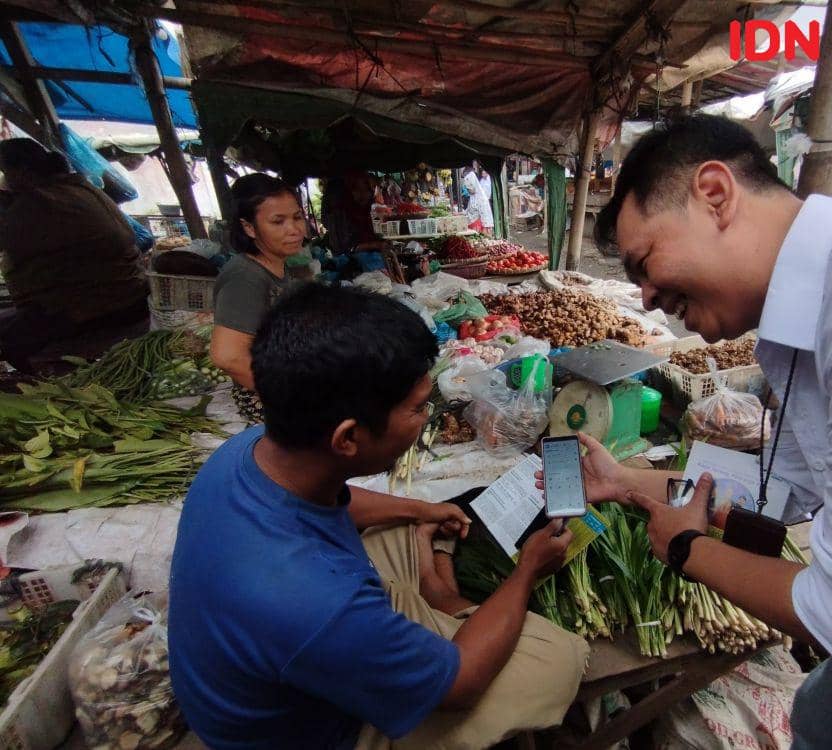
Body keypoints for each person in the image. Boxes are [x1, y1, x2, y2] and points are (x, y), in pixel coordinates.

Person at [552, 114, 832, 749]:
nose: (646, 298)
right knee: (824, 714)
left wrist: (686, 551)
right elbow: (773, 493)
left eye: (644, 262)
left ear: (714, 193)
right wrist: (627, 481)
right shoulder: (800, 326)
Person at [170, 284, 588, 750]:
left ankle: (436, 590)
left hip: (302, 642)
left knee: (406, 529)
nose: (427, 416)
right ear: (347, 438)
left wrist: (419, 508)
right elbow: (461, 685)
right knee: (557, 660)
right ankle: (447, 608)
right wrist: (527, 571)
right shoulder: (313, 604)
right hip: (318, 732)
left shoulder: (244, 452)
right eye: (415, 408)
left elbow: (336, 501)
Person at [0, 138, 148, 373]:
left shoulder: (42, 202)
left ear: (23, 171)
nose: (7, 180)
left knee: (9, 340)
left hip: (98, 306)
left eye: (7, 172)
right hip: (129, 293)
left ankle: (43, 387)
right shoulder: (80, 187)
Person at [210, 173, 304, 423]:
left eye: (297, 217)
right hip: (270, 402)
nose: (293, 229)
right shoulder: (245, 277)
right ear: (249, 227)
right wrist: (292, 396)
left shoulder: (276, 267)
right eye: (278, 221)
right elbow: (227, 356)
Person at [321, 169, 386, 253]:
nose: (362, 194)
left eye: (366, 189)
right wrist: (375, 245)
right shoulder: (341, 215)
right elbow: (345, 248)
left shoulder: (370, 210)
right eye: (356, 189)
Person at [462, 166, 494, 238]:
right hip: (472, 227)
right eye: (468, 189)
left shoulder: (481, 197)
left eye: (469, 188)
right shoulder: (472, 196)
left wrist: (486, 231)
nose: (469, 190)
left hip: (479, 229)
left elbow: (486, 216)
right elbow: (469, 209)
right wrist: (461, 213)